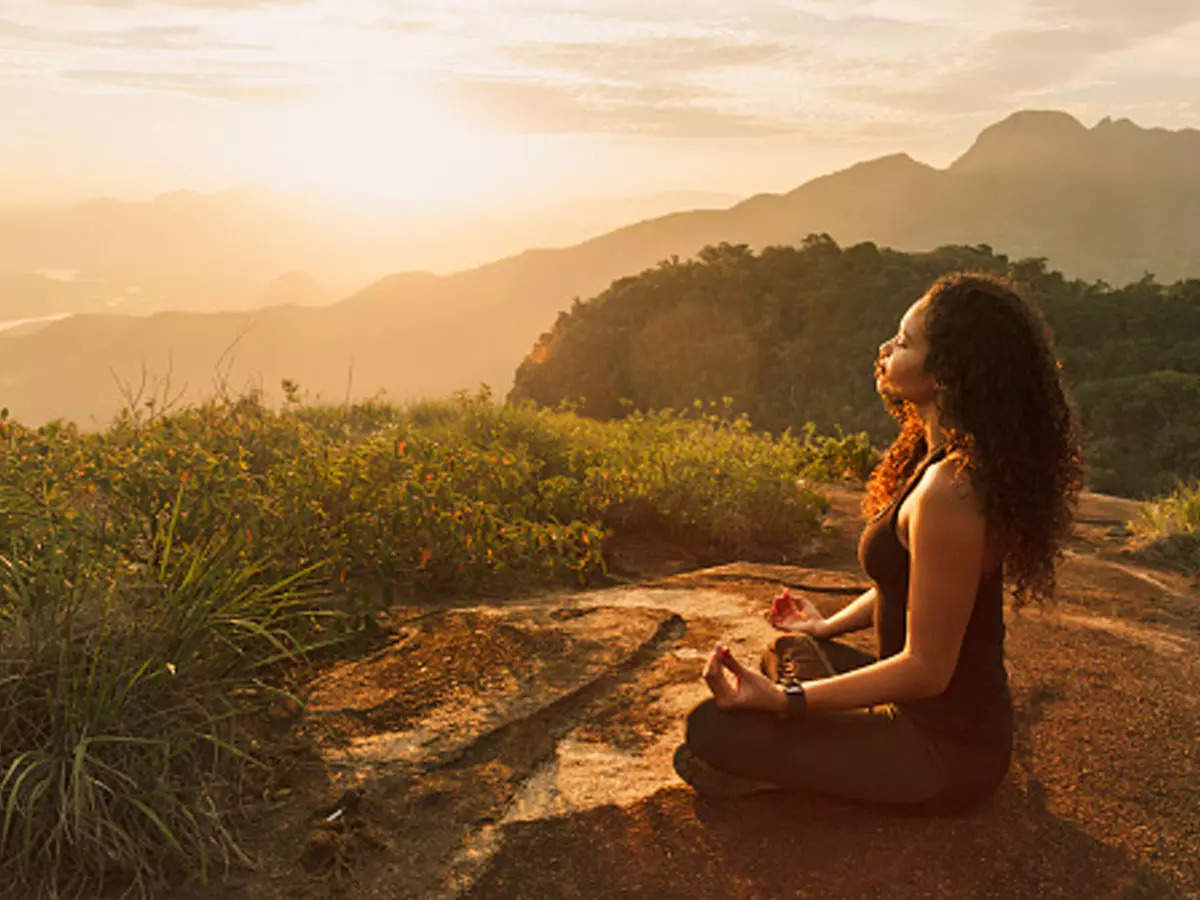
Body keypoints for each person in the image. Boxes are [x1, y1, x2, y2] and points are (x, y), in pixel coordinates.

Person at [674, 272, 1082, 811]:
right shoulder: (933, 457)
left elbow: (925, 670)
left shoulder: (952, 491)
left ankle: (806, 766)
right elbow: (915, 583)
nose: (886, 349)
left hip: (944, 753)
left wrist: (784, 700)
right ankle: (823, 750)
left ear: (946, 373)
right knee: (791, 646)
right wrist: (826, 624)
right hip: (912, 718)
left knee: (710, 730)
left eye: (906, 342)